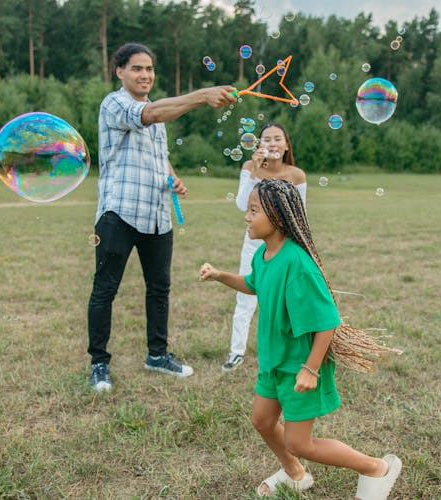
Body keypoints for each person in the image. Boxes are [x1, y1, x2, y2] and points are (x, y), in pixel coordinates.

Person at [199, 179, 402, 498]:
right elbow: (254, 284)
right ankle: (295, 474)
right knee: (262, 421)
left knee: (300, 442)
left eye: (254, 211)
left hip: (299, 366)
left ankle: (376, 468)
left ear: (278, 217)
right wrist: (220, 276)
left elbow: (327, 323)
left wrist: (310, 368)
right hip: (273, 362)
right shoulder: (263, 254)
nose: (246, 217)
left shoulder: (298, 264)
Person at [87, 42, 236, 392]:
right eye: (137, 68)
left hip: (156, 214)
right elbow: (149, 115)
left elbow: (158, 152)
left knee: (159, 289)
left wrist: (171, 176)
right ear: (119, 71)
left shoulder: (156, 111)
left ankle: (157, 355)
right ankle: (99, 364)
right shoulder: (115, 104)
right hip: (118, 213)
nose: (145, 75)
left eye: (150, 69)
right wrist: (201, 95)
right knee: (104, 289)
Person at [222, 122, 307, 372]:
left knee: (287, 300)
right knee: (246, 298)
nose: (272, 143)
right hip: (253, 245)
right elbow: (241, 205)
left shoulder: (296, 175)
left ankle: (291, 350)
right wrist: (255, 172)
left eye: (277, 138)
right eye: (266, 139)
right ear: (258, 146)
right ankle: (236, 351)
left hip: (285, 248)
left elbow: (301, 215)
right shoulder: (250, 168)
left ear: (286, 145)